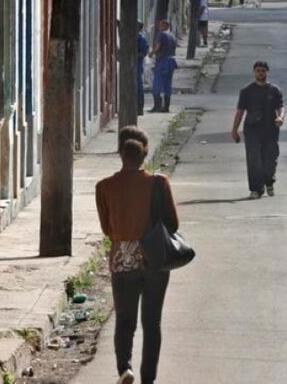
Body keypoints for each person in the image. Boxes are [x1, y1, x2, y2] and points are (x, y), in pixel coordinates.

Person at [96, 126, 179, 384]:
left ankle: (125, 369)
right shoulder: (159, 183)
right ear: (145, 155)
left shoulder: (104, 187)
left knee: (124, 321)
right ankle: (148, 380)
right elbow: (173, 225)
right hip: (154, 258)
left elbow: (107, 228)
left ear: (120, 154)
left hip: (123, 259)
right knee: (152, 323)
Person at [231, 61, 285, 199]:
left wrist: (280, 118)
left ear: (267, 72)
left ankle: (269, 182)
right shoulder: (247, 91)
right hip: (252, 130)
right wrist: (234, 130)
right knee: (254, 160)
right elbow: (240, 111)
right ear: (254, 73)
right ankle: (256, 189)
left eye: (263, 71)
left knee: (270, 159)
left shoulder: (274, 90)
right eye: (258, 71)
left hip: (270, 130)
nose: (260, 73)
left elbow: (280, 107)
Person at [149, 20, 178, 113]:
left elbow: (158, 46)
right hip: (171, 62)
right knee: (167, 85)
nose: (159, 27)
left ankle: (157, 106)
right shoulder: (172, 36)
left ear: (165, 26)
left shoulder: (162, 34)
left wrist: (152, 53)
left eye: (160, 25)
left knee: (157, 85)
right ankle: (166, 107)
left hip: (162, 62)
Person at [137, 22, 150, 116]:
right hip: (134, 66)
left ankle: (139, 109)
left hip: (137, 66)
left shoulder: (141, 38)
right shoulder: (136, 37)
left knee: (138, 88)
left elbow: (144, 52)